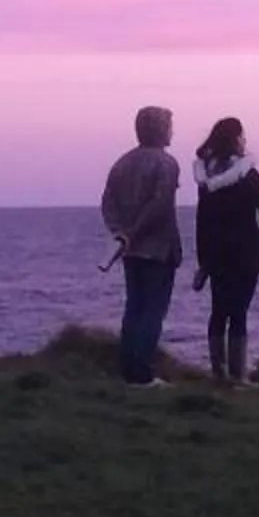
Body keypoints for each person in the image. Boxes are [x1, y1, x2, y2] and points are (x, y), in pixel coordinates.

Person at [190, 116, 259, 385]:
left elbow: (201, 220)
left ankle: (219, 373)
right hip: (245, 254)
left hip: (216, 256)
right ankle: (238, 376)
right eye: (242, 136)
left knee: (218, 312)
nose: (245, 141)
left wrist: (203, 259)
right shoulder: (246, 173)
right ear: (235, 139)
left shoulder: (206, 178)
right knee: (238, 313)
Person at [99, 104, 181, 385]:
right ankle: (142, 373)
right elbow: (160, 205)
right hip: (158, 249)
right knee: (152, 312)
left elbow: (107, 203)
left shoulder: (121, 163)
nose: (172, 131)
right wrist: (134, 231)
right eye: (169, 125)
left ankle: (127, 368)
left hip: (128, 251)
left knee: (133, 308)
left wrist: (120, 233)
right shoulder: (166, 163)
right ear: (159, 129)